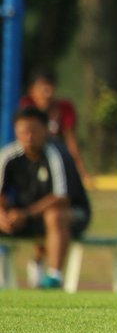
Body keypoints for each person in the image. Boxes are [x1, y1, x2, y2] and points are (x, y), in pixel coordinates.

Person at [0, 107, 91, 289]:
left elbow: (62, 198)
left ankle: (54, 277)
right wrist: (3, 215)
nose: (28, 137)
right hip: (26, 216)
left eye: (33, 131)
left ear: (45, 130)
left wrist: (24, 214)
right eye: (23, 132)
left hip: (72, 214)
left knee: (54, 215)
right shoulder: (9, 155)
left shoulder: (57, 154)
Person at [20, 69, 88, 184]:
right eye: (42, 88)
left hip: (53, 158)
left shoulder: (64, 108)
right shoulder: (26, 107)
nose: (47, 93)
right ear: (32, 90)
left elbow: (71, 141)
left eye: (50, 87)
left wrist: (82, 171)